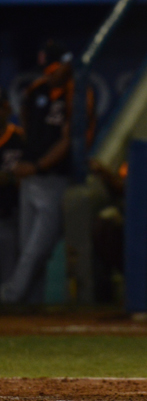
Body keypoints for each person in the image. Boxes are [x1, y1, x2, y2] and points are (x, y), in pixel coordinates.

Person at [0, 42, 95, 304]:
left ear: (67, 63)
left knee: (36, 250)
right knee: (26, 250)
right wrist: (30, 162)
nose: (50, 74)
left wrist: (39, 164)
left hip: (55, 179)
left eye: (55, 68)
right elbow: (28, 125)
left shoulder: (77, 93)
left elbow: (71, 140)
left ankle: (9, 297)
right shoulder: (36, 90)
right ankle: (32, 306)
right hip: (30, 180)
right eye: (47, 69)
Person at [0, 88, 25, 287]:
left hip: (12, 213)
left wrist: (10, 177)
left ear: (6, 109)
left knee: (10, 272)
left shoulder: (20, 138)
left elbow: (32, 171)